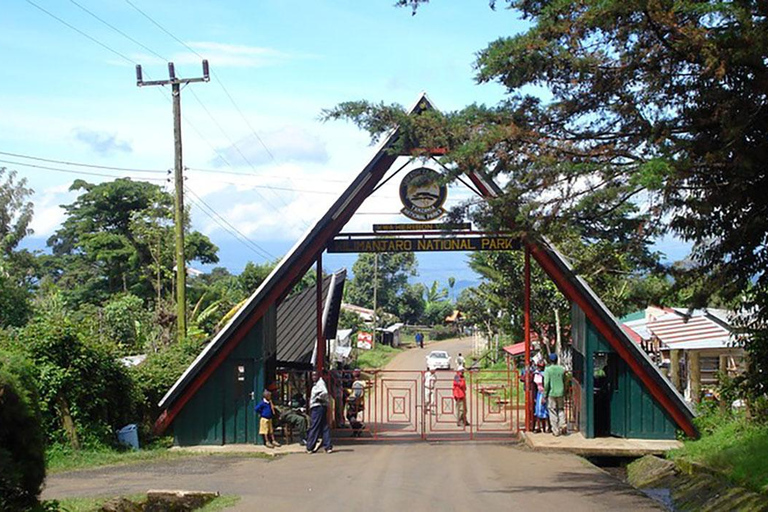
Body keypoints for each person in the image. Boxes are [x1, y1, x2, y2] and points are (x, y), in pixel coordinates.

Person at [306, 371, 333, 453]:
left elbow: (324, 392)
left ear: (318, 375)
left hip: (318, 407)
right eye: (312, 375)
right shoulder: (317, 383)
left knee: (314, 426)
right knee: (324, 426)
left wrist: (319, 398)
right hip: (321, 407)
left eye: (315, 375)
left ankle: (310, 446)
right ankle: (328, 446)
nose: (313, 377)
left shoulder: (320, 383)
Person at [544, 353, 567, 436]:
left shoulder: (548, 370)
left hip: (551, 393)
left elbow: (546, 383)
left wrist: (545, 394)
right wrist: (565, 391)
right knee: (561, 409)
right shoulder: (562, 369)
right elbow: (565, 381)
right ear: (557, 360)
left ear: (550, 360)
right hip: (561, 392)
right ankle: (563, 424)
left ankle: (556, 431)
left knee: (552, 410)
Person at [347, 368, 367, 437]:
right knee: (353, 416)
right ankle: (356, 432)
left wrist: (350, 398)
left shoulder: (357, 384)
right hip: (357, 402)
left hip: (355, 403)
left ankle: (359, 426)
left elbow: (357, 394)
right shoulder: (358, 383)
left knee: (349, 416)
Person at [533, 360, 550, 433]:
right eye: (539, 366)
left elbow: (546, 385)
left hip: (544, 393)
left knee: (546, 410)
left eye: (541, 367)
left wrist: (544, 395)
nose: (539, 368)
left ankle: (548, 427)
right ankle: (539, 427)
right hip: (539, 393)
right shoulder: (536, 374)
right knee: (538, 410)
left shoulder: (545, 374)